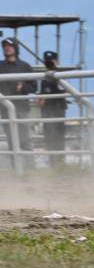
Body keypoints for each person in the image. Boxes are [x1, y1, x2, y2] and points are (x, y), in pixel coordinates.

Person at [0, 37, 36, 169]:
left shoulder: (25, 66)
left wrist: (23, 88)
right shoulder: (0, 65)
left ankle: (31, 169)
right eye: (4, 46)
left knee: (25, 140)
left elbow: (34, 86)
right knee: (12, 141)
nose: (7, 48)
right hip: (5, 109)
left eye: (9, 46)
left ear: (16, 48)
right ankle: (17, 169)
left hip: (22, 108)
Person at [38, 51, 67, 167]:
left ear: (56, 61)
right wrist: (40, 100)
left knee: (59, 135)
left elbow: (62, 90)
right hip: (46, 110)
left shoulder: (60, 75)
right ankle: (52, 161)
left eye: (51, 60)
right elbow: (41, 95)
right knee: (49, 135)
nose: (49, 62)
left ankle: (60, 161)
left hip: (58, 109)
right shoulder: (43, 77)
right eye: (47, 60)